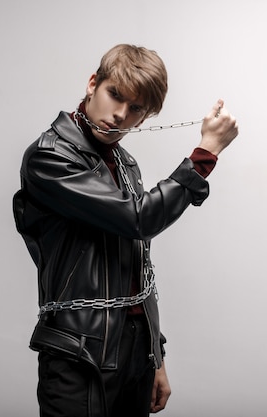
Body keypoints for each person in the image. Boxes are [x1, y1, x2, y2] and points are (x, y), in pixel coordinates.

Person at [13, 44, 238, 417]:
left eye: (135, 109)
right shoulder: (49, 157)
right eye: (114, 95)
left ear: (146, 116)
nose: (119, 115)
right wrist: (205, 153)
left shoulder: (124, 162)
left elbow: (136, 268)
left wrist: (155, 355)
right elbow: (139, 220)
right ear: (92, 84)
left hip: (134, 351)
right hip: (79, 352)